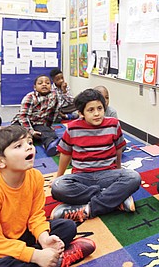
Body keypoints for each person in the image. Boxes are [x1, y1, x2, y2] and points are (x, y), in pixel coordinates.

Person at [0, 126, 96, 267]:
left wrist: (44, 238)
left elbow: (35, 215)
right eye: (18, 146)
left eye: (30, 143)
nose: (29, 148)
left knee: (68, 227)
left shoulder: (35, 177)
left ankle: (46, 257)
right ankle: (57, 259)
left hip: (23, 234)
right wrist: (35, 255)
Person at [50, 89, 140, 224]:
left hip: (107, 174)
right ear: (81, 113)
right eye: (90, 110)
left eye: (100, 108)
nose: (97, 113)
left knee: (134, 177)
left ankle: (88, 209)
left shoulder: (114, 124)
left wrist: (119, 170)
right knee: (58, 187)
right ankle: (114, 199)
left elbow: (118, 149)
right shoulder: (72, 128)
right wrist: (59, 176)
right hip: (81, 176)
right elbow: (66, 154)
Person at [11, 74, 61, 157]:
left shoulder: (54, 96)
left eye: (47, 83)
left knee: (49, 133)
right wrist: (31, 132)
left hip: (39, 123)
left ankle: (50, 145)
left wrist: (48, 126)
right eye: (40, 83)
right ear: (35, 87)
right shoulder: (30, 97)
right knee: (16, 134)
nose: (44, 84)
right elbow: (23, 116)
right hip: (23, 122)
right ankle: (24, 145)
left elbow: (54, 112)